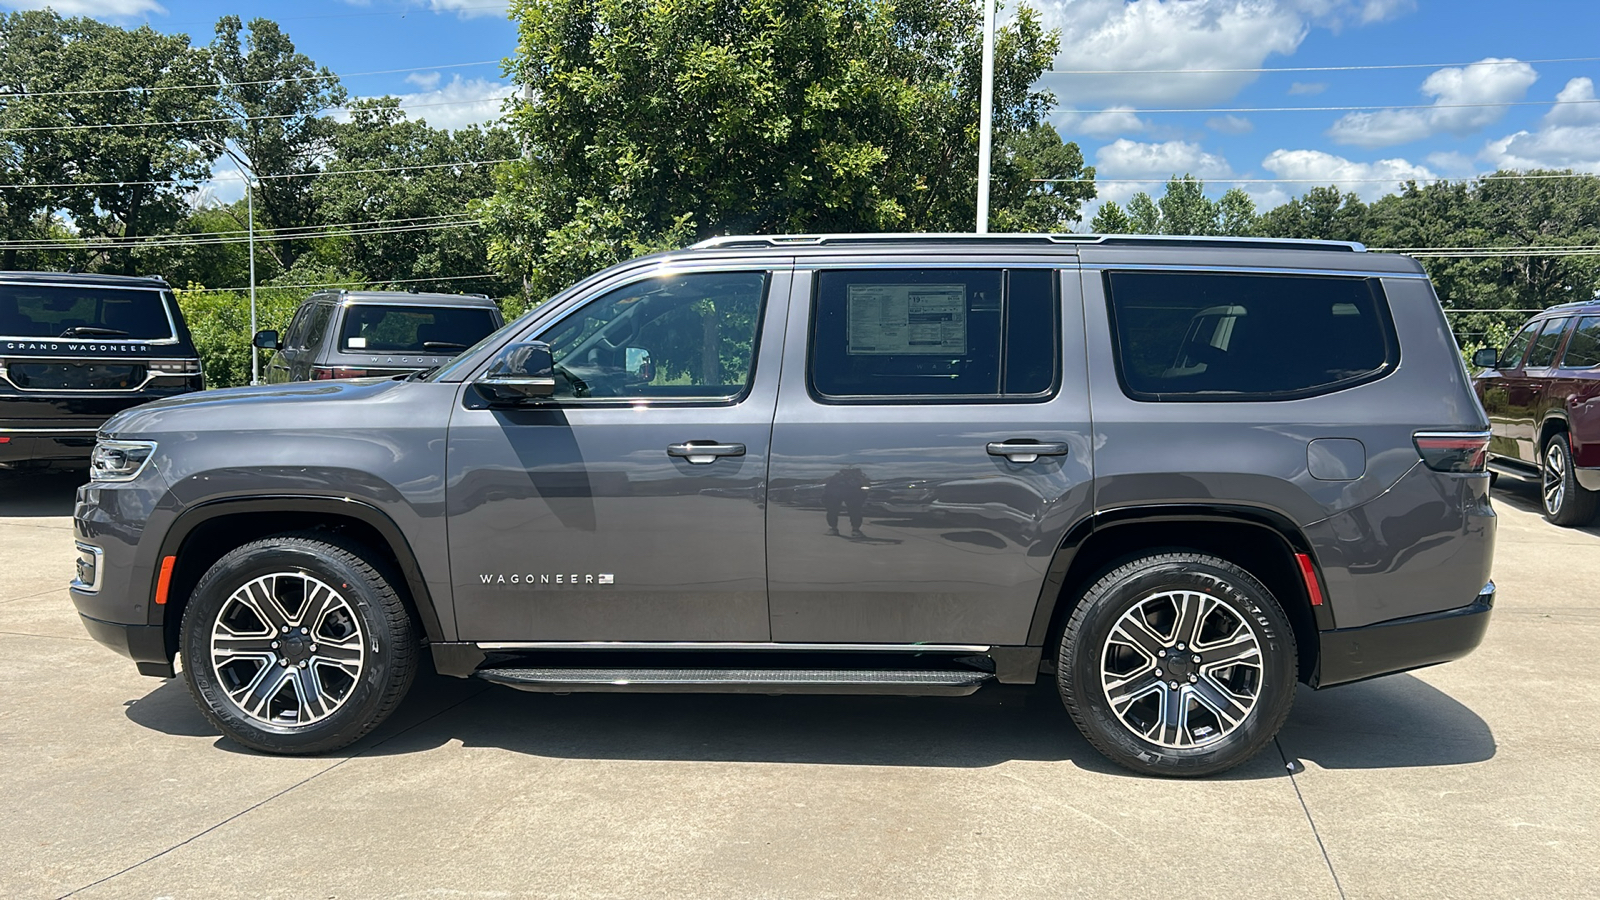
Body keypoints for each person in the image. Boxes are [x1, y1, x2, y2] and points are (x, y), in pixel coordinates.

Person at [822, 466, 870, 537]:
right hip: (836, 495)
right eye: (846, 471)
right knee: (832, 511)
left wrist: (863, 493)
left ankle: (855, 530)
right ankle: (834, 528)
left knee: (855, 511)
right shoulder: (836, 478)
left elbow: (866, 487)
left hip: (853, 495)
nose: (848, 474)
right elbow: (826, 484)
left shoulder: (859, 478)